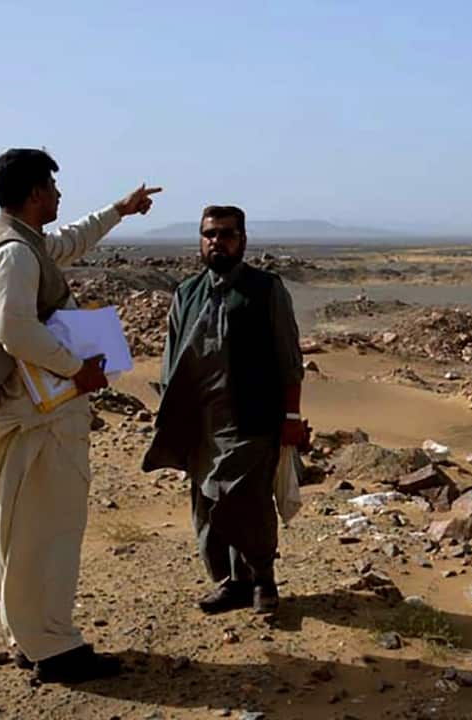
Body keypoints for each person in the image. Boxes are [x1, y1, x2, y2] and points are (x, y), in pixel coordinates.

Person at [0, 148, 160, 683]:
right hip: (36, 414)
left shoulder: (23, 243)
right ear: (32, 194)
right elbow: (15, 329)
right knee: (43, 531)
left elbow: (70, 240)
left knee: (20, 528)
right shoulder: (15, 255)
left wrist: (119, 210)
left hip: (32, 413)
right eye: (51, 186)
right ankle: (52, 646)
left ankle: (30, 635)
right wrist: (76, 370)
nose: (58, 194)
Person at [142, 205, 306, 615]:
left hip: (251, 418)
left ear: (243, 241)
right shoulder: (187, 293)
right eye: (210, 234)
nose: (218, 242)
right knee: (206, 505)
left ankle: (263, 579)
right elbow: (172, 358)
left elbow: (288, 358)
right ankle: (233, 583)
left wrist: (290, 417)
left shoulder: (265, 289)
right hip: (201, 421)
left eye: (227, 234)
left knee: (244, 501)